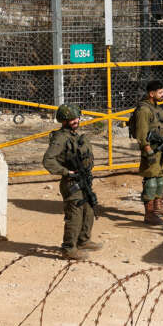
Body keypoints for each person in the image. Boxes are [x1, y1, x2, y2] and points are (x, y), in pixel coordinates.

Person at [42, 104, 103, 259]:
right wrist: (66, 172)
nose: (76, 120)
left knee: (88, 209)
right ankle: (69, 249)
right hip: (71, 182)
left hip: (83, 180)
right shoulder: (61, 138)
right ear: (64, 120)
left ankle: (83, 240)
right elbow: (48, 160)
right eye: (72, 118)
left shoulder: (74, 136)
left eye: (77, 117)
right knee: (74, 215)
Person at [131, 80, 163, 225]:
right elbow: (142, 134)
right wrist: (147, 150)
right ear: (151, 93)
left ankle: (158, 207)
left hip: (161, 149)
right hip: (151, 150)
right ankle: (149, 214)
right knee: (151, 181)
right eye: (160, 92)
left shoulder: (156, 108)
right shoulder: (144, 110)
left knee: (160, 179)